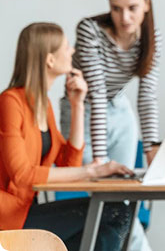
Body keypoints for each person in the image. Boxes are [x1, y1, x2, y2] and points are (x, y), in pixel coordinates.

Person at [0, 22, 133, 250]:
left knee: (109, 219)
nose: (72, 51)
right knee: (113, 211)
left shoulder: (43, 104)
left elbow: (68, 163)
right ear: (50, 60)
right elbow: (22, 175)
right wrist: (92, 171)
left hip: (27, 211)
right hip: (9, 217)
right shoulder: (10, 102)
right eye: (66, 46)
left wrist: (77, 104)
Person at [59, 0, 162, 251]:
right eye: (116, 8)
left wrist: (152, 147)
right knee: (108, 194)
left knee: (123, 197)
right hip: (83, 110)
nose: (124, 17)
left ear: (147, 5)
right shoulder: (90, 30)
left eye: (132, 8)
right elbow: (96, 91)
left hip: (119, 108)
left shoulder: (151, 38)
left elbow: (147, 96)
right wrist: (101, 159)